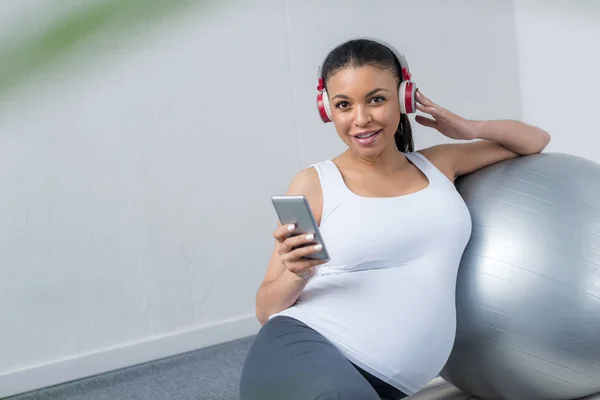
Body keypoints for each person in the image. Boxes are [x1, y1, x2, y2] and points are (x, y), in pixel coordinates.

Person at [239, 38, 551, 400]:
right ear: (328, 110)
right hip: (307, 346)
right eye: (344, 105)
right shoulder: (315, 182)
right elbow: (265, 309)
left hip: (382, 382)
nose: (361, 119)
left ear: (403, 98)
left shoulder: (438, 165)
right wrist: (297, 274)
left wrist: (467, 127)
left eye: (376, 99)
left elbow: (534, 141)